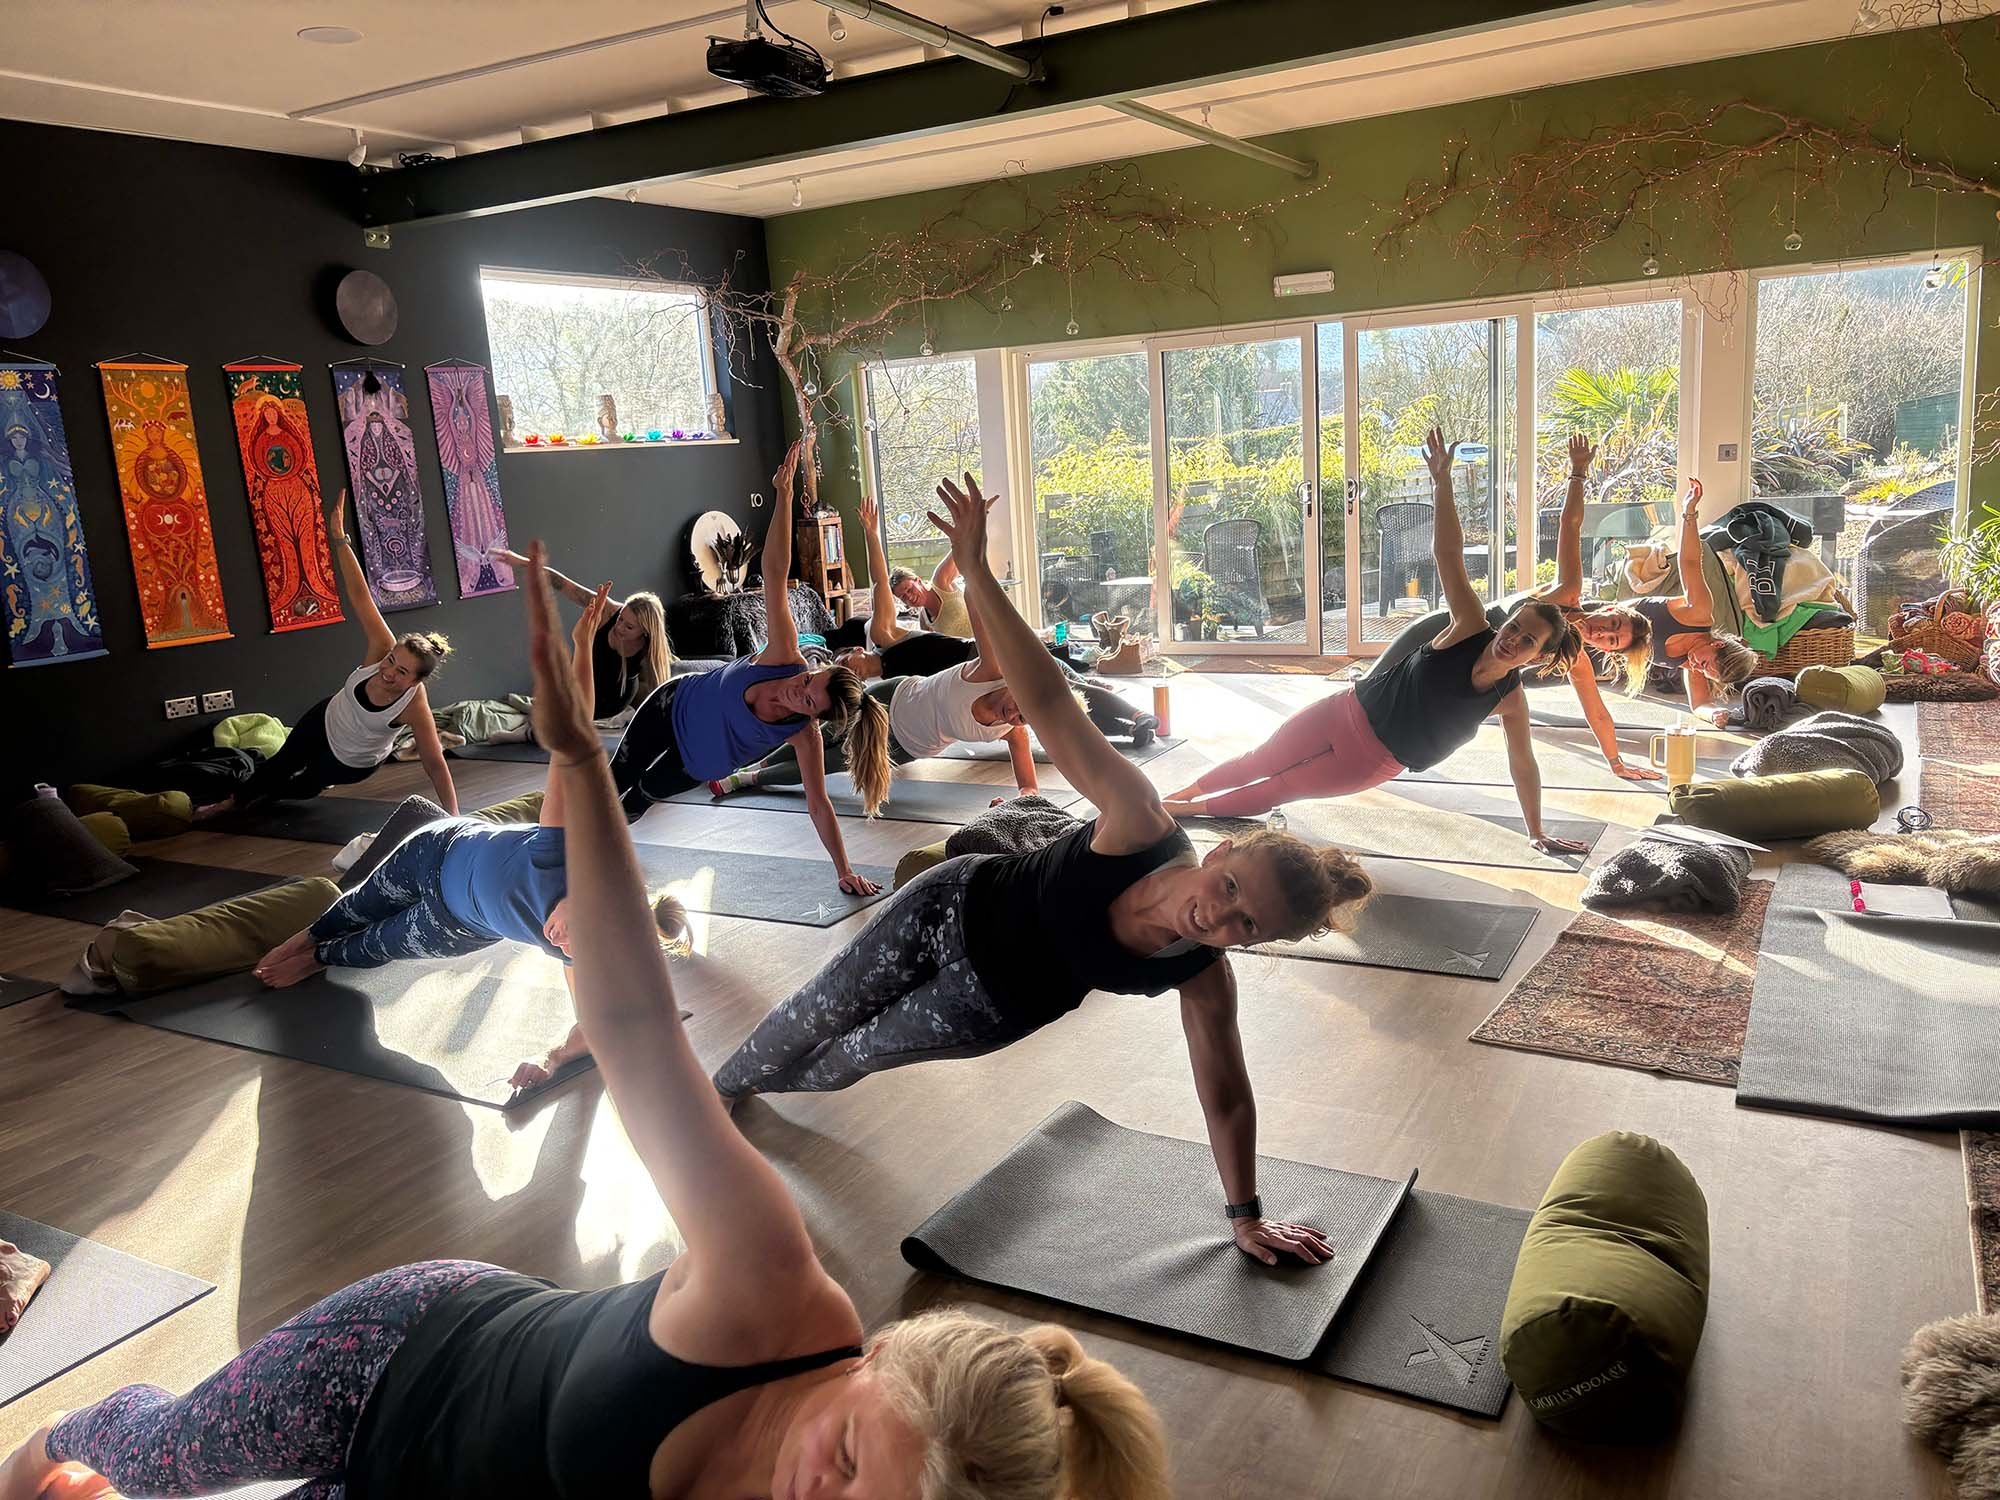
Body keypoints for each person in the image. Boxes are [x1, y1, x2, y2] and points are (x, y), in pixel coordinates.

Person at [0, 542, 1171, 1500]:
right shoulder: (766, 1289)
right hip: (396, 1363)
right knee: (160, 1459)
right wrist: (572, 755)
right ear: (872, 1360)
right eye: (850, 1455)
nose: (818, 1491)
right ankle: (51, 1446)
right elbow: (636, 1027)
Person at [714, 472, 1369, 1268]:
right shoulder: (1139, 822)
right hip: (946, 907)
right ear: (1222, 852)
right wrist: (976, 573)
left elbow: (1226, 1095)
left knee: (845, 1061)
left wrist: (1246, 1217)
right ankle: (714, 1098)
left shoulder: (1200, 974)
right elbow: (1052, 703)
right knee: (816, 1012)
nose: (1219, 919)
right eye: (1229, 889)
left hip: (985, 1006)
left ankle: (755, 1089)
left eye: (1246, 926)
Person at [1161, 430, 1594, 856]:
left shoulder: (1510, 701)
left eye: (1527, 641)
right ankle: (1174, 799)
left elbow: (1523, 764)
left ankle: (1180, 812)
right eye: (1513, 627)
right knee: (1260, 759)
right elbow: (1448, 554)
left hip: (1372, 761)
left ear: (1538, 656)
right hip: (1344, 710)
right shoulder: (1469, 626)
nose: (1512, 639)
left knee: (1281, 787)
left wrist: (1536, 831)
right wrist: (1441, 482)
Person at [252, 585, 688, 993]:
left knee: (371, 947)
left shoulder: (584, 945)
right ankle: (306, 939)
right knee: (357, 907)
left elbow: (586, 1009)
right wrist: (582, 646)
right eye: (578, 933)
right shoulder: (562, 854)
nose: (563, 943)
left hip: (454, 925)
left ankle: (319, 957)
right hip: (437, 849)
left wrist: (569, 1044)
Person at [608, 442, 891, 895]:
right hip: (670, 707)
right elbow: (775, 572)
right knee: (611, 783)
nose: (797, 690)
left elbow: (818, 805)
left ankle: (592, 859)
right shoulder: (783, 655)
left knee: (636, 801)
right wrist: (783, 495)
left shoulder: (804, 737)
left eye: (807, 701)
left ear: (814, 717)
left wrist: (843, 869)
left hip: (693, 763)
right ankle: (558, 849)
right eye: (808, 681)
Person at [1367, 435, 1660, 780]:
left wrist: (1616, 762)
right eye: (1613, 624)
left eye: (1612, 641)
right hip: (1442, 632)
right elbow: (1570, 525)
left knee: (1398, 727)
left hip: (1458, 671)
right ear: (1611, 610)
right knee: (1369, 690)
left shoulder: (1574, 659)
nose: (1603, 632)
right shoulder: (1567, 591)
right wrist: (1578, 473)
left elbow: (1596, 713)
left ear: (1607, 651)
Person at [712, 530, 1043, 801]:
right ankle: (752, 766)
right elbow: (973, 601)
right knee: (821, 735)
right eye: (1020, 707)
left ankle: (746, 779)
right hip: (893, 695)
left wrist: (1017, 801)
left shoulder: (1013, 731)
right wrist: (970, 550)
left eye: (1023, 718)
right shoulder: (988, 670)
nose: (1015, 716)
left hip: (906, 744)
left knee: (829, 760)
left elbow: (1029, 787)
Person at [195, 490, 458, 820]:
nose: (389, 672)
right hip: (326, 718)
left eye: (402, 672)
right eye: (392, 660)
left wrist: (454, 816)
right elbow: (360, 596)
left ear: (416, 682)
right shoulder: (382, 649)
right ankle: (230, 803)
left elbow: (434, 763)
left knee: (300, 787)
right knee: (280, 765)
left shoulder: (414, 707)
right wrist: (340, 539)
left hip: (350, 760)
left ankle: (266, 796)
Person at [844, 497, 1160, 748]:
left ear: (858, 649)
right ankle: (1130, 728)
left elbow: (883, 580)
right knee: (1054, 702)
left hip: (991, 655)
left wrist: (871, 533)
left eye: (846, 662)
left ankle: (1136, 715)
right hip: (984, 681)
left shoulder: (886, 637)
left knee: (1066, 687)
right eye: (903, 596)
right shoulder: (912, 644)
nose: (909, 595)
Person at [1621, 476, 1760, 724]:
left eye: (1706, 671)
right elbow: (1690, 562)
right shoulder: (1698, 613)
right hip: (1606, 619)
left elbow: (1699, 703)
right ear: (1717, 644)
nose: (1697, 667)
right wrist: (1689, 512)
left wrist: (1714, 714)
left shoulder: (1690, 662)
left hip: (1608, 647)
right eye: (1705, 664)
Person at [488, 545, 672, 724]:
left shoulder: (649, 648)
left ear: (645, 632)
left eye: (629, 627)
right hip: (581, 690)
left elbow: (661, 687)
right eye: (621, 618)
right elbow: (563, 585)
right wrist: (521, 561)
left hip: (612, 703)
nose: (620, 627)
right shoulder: (607, 610)